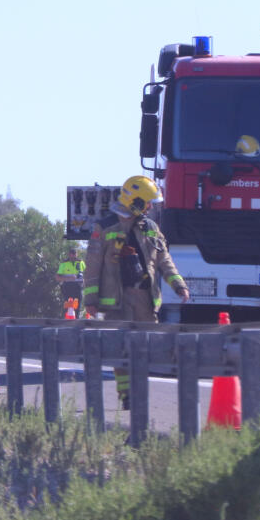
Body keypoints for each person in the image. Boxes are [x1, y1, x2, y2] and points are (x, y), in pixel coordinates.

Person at [82, 175, 190, 410]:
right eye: (148, 202)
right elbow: (92, 264)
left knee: (144, 348)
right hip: (116, 301)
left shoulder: (151, 228)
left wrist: (178, 284)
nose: (151, 207)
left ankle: (138, 391)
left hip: (144, 298)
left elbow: (164, 259)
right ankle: (126, 394)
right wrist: (90, 299)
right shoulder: (106, 226)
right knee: (120, 348)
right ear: (136, 201)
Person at [56, 247, 86, 311]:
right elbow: (57, 277)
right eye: (72, 254)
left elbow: (88, 274)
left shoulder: (81, 262)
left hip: (78, 288)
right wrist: (68, 278)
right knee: (68, 309)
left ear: (76, 254)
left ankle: (77, 320)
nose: (73, 256)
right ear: (69, 254)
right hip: (67, 288)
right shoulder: (64, 264)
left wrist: (84, 280)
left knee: (77, 309)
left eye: (74, 254)